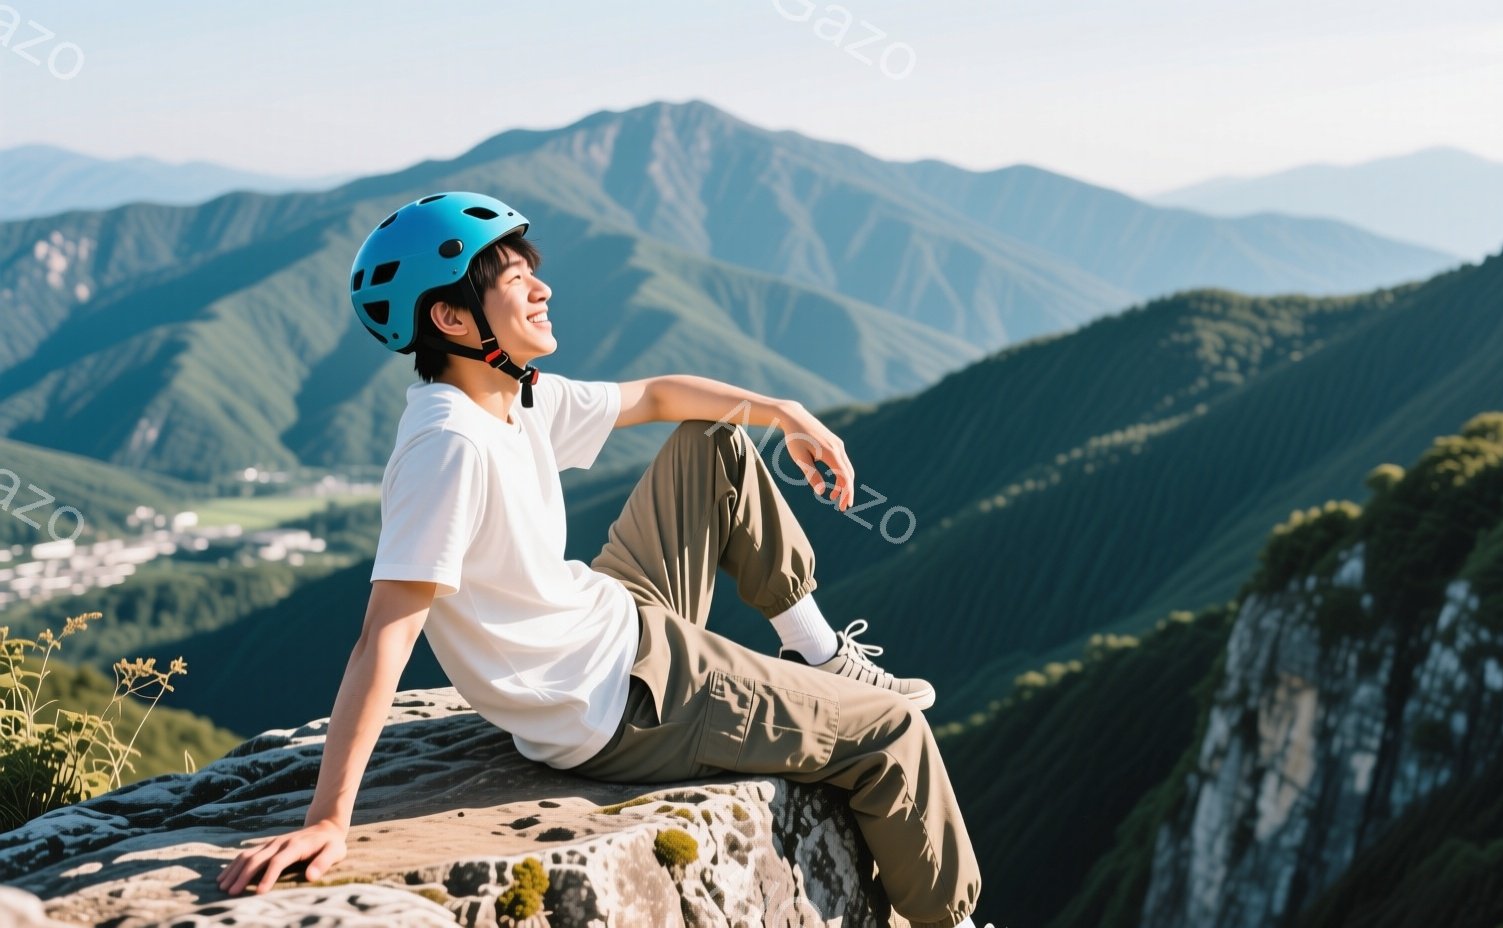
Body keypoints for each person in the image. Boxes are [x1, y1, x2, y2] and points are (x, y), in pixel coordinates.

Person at [215, 192, 985, 927]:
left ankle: (819, 651)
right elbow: (385, 635)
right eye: (516, 280)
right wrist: (328, 821)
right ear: (451, 317)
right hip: (622, 699)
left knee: (712, 441)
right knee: (892, 734)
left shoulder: (512, 397)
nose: (543, 289)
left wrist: (784, 413)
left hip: (614, 624)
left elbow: (652, 397)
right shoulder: (449, 445)